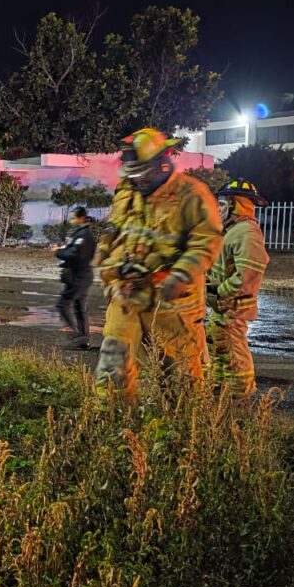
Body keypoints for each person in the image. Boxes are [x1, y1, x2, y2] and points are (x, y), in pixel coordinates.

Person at [93, 128, 222, 402]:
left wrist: (181, 274)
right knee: (113, 365)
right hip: (127, 295)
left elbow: (206, 240)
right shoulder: (129, 191)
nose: (137, 179)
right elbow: (114, 225)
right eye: (133, 173)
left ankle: (187, 431)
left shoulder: (192, 194)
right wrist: (104, 253)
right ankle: (111, 428)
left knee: (180, 376)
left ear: (162, 163)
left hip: (172, 303)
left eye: (142, 172)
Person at [206, 178, 270, 397]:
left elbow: (248, 274)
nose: (218, 210)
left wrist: (219, 292)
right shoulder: (231, 231)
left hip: (232, 309)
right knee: (220, 354)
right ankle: (218, 398)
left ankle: (239, 400)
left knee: (234, 355)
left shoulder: (247, 232)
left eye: (223, 205)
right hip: (221, 309)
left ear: (237, 205)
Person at [55, 207, 96, 349]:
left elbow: (74, 254)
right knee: (79, 308)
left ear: (81, 218)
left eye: (74, 218)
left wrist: (59, 252)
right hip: (80, 276)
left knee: (62, 304)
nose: (72, 220)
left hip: (79, 276)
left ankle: (76, 335)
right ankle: (84, 341)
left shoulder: (84, 235)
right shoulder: (79, 233)